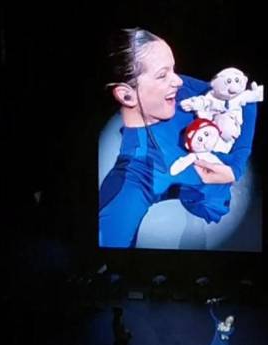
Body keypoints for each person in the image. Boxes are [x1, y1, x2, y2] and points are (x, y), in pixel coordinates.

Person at [99, 28, 259, 248]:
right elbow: (110, 241)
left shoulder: (184, 93)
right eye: (163, 75)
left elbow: (246, 99)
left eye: (173, 70)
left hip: (217, 200)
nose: (178, 81)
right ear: (127, 94)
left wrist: (236, 167)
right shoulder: (134, 174)